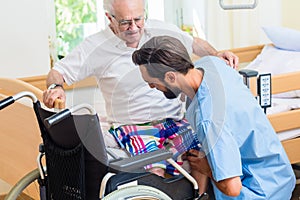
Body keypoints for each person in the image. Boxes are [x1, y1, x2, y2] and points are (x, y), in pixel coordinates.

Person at [43, 0, 238, 195]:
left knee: (200, 151)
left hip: (175, 120)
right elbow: (57, 72)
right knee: (155, 166)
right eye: (125, 22)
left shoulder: (159, 29)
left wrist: (216, 54)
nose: (134, 28)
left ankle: (199, 196)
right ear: (109, 18)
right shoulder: (94, 47)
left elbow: (194, 43)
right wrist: (55, 87)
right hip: (133, 124)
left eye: (138, 19)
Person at [132, 35, 296, 199]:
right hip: (280, 176)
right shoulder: (211, 64)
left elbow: (233, 189)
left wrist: (207, 168)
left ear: (170, 77)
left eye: (151, 82)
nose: (151, 87)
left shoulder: (209, 118)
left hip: (261, 192)